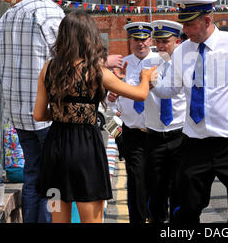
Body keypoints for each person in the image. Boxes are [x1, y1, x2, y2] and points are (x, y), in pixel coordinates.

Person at [151, 0, 228, 224]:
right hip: (195, 142)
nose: (184, 30)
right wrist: (150, 83)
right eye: (183, 24)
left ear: (207, 20)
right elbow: (171, 89)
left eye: (189, 24)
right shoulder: (181, 52)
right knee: (186, 209)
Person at [32, 11, 156, 223]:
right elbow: (141, 94)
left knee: (58, 216)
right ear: (89, 37)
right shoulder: (96, 71)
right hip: (85, 149)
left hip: (56, 149)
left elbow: (39, 114)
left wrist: (65, 111)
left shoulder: (48, 68)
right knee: (91, 219)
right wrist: (144, 77)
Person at [0, 0, 65, 223]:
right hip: (45, 112)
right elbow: (66, 60)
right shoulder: (52, 14)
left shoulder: (8, 15)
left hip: (17, 111)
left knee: (32, 174)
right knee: (54, 180)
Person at [106, 21, 158, 223]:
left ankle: (156, 216)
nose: (141, 44)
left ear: (150, 40)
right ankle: (137, 219)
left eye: (144, 40)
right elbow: (110, 106)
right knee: (136, 179)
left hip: (158, 132)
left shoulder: (161, 61)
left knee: (158, 180)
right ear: (130, 42)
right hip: (133, 133)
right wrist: (111, 98)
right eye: (136, 40)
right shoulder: (121, 65)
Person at [143, 20, 187, 223]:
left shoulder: (187, 65)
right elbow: (139, 93)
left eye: (165, 42)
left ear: (177, 41)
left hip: (179, 134)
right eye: (158, 41)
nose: (160, 46)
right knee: (156, 188)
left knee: (180, 188)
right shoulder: (147, 64)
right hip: (154, 136)